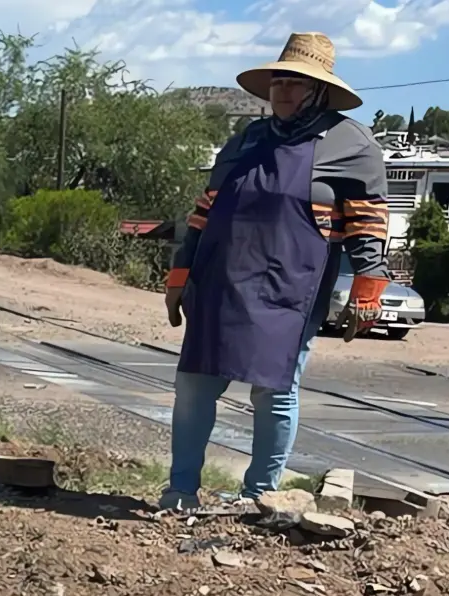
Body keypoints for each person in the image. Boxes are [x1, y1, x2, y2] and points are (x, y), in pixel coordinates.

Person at [160, 32, 389, 510]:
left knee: (275, 391)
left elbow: (368, 223)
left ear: (320, 90)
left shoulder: (352, 144)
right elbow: (204, 211)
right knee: (194, 384)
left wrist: (368, 287)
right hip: (220, 280)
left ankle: (261, 495)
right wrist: (180, 273)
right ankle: (180, 490)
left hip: (290, 288)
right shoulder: (247, 139)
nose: (283, 91)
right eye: (278, 81)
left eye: (296, 83)